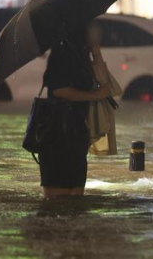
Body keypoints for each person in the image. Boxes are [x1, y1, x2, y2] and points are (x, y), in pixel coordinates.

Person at [40, 21, 112, 199]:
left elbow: (105, 86)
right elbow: (59, 90)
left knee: (76, 196)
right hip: (57, 133)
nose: (98, 31)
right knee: (57, 199)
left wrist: (96, 50)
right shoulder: (62, 53)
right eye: (93, 27)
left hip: (77, 133)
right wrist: (94, 96)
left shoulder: (84, 55)